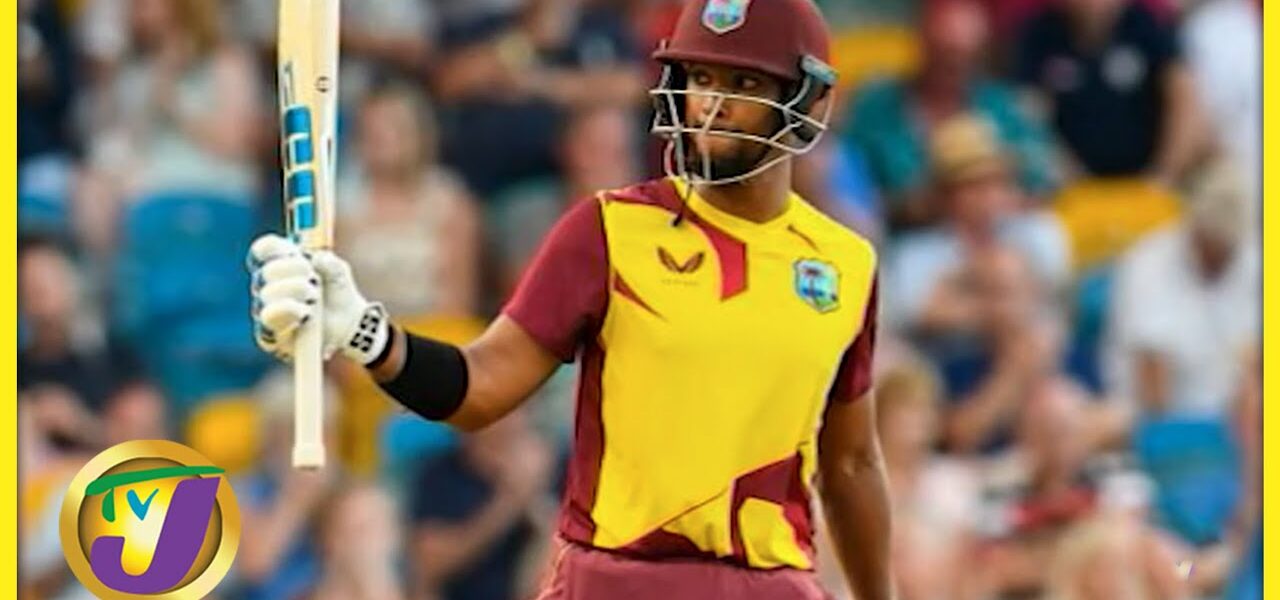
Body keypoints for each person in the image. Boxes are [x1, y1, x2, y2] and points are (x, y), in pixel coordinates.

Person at [248, 1, 894, 598]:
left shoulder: (845, 263)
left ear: (809, 100)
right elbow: (480, 390)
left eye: (744, 83)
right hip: (617, 580)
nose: (711, 104)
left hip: (770, 585)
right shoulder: (608, 230)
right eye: (701, 77)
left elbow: (853, 465)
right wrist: (364, 330)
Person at [842, 0, 1059, 229]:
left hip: (998, 228)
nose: (953, 64)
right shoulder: (877, 108)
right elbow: (851, 189)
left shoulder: (1002, 107)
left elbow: (1042, 177)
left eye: (966, 55)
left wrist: (994, 195)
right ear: (923, 44)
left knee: (1042, 232)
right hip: (906, 235)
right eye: (944, 52)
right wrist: (929, 202)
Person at [1106, 157, 1258, 418]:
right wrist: (1174, 434)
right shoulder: (1148, 265)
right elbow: (1152, 374)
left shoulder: (1254, 262)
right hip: (1152, 417)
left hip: (1240, 416)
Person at [1015, 0, 1204, 184]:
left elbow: (1184, 102)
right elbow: (1030, 113)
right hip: (1071, 179)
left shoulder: (1149, 25)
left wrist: (1164, 175)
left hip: (1153, 175)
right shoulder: (1040, 35)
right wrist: (1068, 174)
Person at [410, 412, 555, 600]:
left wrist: (535, 504)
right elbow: (430, 565)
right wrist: (507, 503)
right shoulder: (440, 475)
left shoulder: (552, 469)